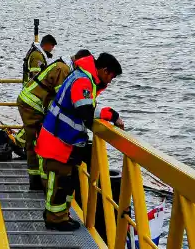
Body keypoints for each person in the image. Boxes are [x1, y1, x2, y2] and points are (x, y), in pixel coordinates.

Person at [36, 52, 124, 231]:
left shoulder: (81, 75)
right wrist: (111, 114)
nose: (110, 81)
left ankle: (60, 216)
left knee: (64, 181)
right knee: (60, 182)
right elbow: (85, 111)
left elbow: (84, 106)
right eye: (111, 77)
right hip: (58, 140)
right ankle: (55, 219)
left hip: (61, 138)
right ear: (105, 70)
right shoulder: (83, 81)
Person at [16, 49, 91, 190]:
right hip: (32, 105)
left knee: (34, 140)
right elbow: (61, 97)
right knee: (36, 141)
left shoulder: (62, 66)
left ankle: (36, 179)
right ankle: (38, 181)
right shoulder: (63, 70)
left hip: (32, 102)